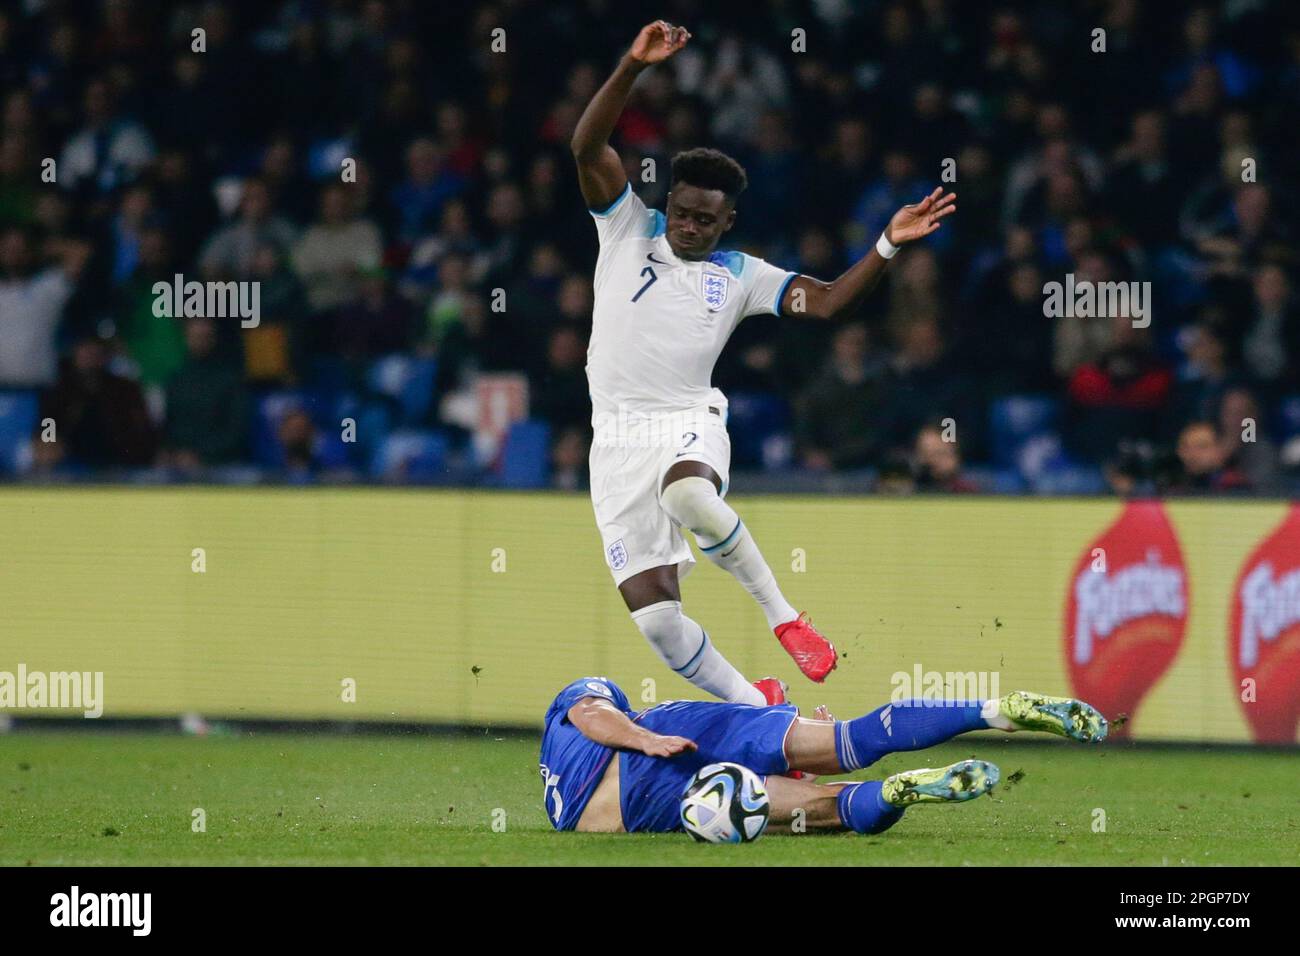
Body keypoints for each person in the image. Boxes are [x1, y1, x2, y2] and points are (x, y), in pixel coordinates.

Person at [570, 21, 956, 705]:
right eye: (683, 212)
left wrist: (888, 245)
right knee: (659, 623)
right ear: (669, 204)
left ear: (727, 222)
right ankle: (759, 709)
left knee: (690, 495)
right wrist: (632, 65)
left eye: (706, 221)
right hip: (616, 441)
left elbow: (832, 301)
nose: (690, 226)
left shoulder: (742, 275)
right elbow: (587, 145)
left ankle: (785, 618)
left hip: (686, 420)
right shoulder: (626, 228)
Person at [539, 676, 1107, 835]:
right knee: (847, 741)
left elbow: (591, 717)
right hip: (666, 738)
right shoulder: (574, 705)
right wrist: (645, 737)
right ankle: (993, 711)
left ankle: (893, 791)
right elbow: (594, 712)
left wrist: (644, 741)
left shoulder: (558, 800)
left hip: (647, 810)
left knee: (821, 810)